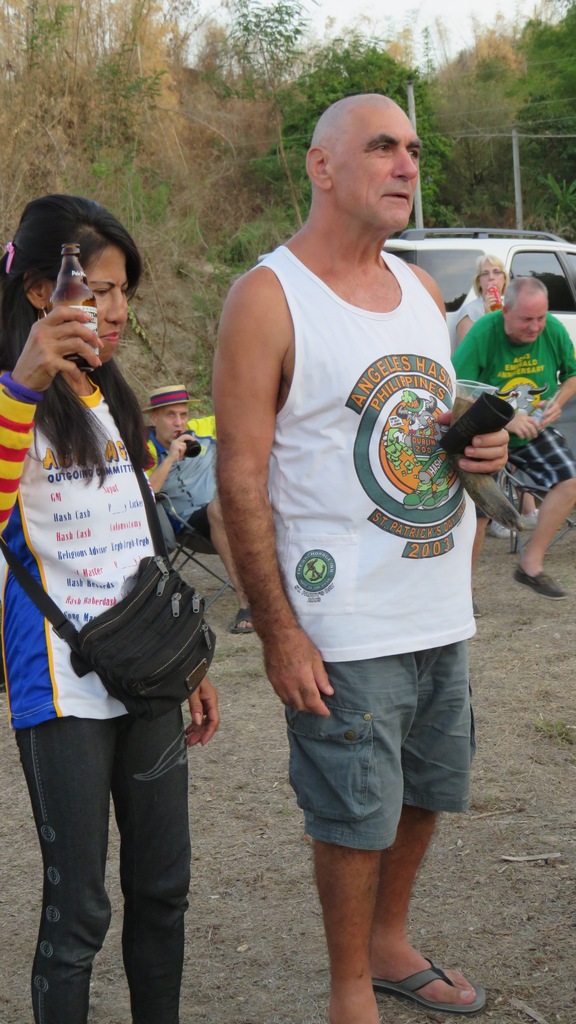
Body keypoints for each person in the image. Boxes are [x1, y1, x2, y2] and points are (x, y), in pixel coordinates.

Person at [213, 94, 509, 1024]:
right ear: (322, 166)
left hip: (436, 604)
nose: (406, 165)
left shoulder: (421, 290)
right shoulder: (268, 297)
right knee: (352, 811)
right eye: (382, 147)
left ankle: (389, 943)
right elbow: (238, 480)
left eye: (413, 148)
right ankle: (350, 987)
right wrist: (279, 633)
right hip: (340, 619)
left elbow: (429, 422)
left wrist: (480, 447)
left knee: (426, 790)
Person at [0, 194, 220, 1024]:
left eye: (125, 290)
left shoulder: (108, 394)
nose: (118, 310)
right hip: (62, 686)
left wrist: (186, 661)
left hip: (146, 670)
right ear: (41, 292)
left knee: (163, 889)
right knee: (80, 912)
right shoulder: (12, 396)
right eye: (98, 290)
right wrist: (25, 382)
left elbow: (141, 537)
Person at [453, 275, 576, 599]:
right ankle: (463, 592)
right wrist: (507, 420)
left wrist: (557, 402)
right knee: (479, 513)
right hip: (485, 432)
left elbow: (573, 375)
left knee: (570, 481)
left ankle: (530, 565)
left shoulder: (553, 330)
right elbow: (457, 390)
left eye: (540, 318)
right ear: (505, 311)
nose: (535, 327)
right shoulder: (483, 333)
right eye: (526, 319)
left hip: (533, 429)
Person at [144, 385, 254, 634]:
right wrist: (170, 458)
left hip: (234, 513)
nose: (179, 422)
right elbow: (144, 495)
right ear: (154, 418)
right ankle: (246, 602)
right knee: (219, 509)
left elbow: (247, 414)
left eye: (183, 415)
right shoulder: (145, 449)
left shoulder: (203, 429)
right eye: (170, 415)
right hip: (188, 524)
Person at [456, 254, 508, 343]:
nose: (491, 277)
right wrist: (488, 318)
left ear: (504, 279)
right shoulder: (470, 312)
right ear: (479, 281)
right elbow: (469, 350)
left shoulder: (510, 308)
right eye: (485, 273)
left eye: (496, 272)